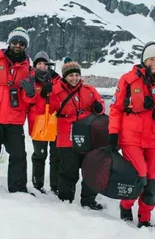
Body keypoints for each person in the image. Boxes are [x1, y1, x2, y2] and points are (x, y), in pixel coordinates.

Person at [37, 57, 106, 209]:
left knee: (91, 168)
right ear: (65, 76)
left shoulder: (89, 90)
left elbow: (100, 104)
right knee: (69, 169)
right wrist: (44, 95)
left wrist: (99, 107)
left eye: (76, 75)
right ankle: (65, 200)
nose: (74, 78)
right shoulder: (56, 90)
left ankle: (88, 200)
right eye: (70, 75)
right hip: (66, 135)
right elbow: (46, 110)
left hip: (88, 136)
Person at [108, 41, 155, 228]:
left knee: (152, 180)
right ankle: (125, 204)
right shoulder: (128, 80)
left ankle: (145, 218)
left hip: (153, 139)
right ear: (144, 61)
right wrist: (113, 133)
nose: (154, 63)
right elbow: (116, 108)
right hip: (131, 138)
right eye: (151, 59)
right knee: (139, 175)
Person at [0, 27, 36, 193]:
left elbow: (29, 101)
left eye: (22, 43)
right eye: (15, 41)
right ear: (9, 42)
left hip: (14, 120)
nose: (18, 45)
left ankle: (18, 189)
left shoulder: (28, 70)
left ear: (25, 46)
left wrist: (29, 93)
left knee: (19, 156)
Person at [28, 51, 60, 194]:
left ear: (48, 65)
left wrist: (51, 92)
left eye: (44, 63)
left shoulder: (57, 80)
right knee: (40, 155)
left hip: (54, 123)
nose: (41, 66)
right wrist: (36, 94)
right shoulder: (30, 80)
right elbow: (25, 101)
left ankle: (55, 185)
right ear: (35, 66)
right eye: (38, 63)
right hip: (38, 124)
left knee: (56, 156)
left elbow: (61, 100)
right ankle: (37, 184)